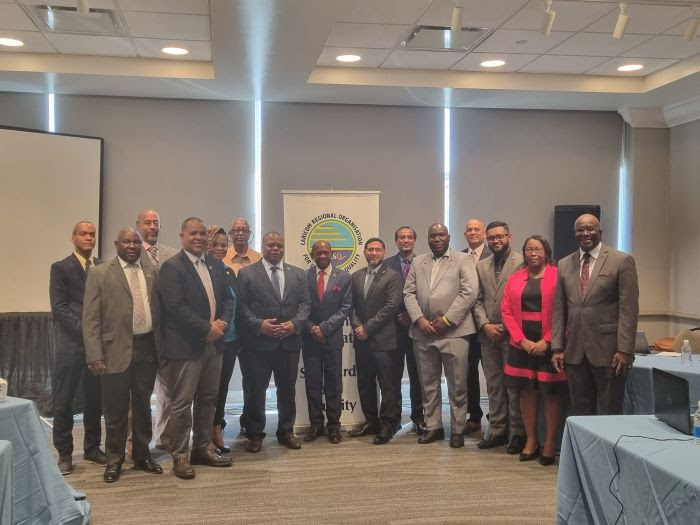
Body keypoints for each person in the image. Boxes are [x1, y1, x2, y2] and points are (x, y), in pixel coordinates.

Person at [82, 228, 163, 482]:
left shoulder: (152, 272)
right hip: (113, 351)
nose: (132, 245)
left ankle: (142, 456)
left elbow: (159, 311)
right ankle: (114, 460)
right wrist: (95, 354)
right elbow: (90, 319)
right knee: (115, 411)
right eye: (126, 241)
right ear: (117, 244)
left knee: (143, 407)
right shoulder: (100, 273)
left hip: (147, 349)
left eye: (136, 241)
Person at [159, 217, 234, 479]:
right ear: (182, 237)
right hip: (186, 347)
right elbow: (175, 307)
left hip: (215, 345)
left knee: (209, 399)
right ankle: (180, 455)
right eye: (193, 233)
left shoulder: (215, 264)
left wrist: (222, 323)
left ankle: (201, 449)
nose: (199, 237)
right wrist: (206, 329)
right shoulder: (172, 267)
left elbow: (228, 300)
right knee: (182, 403)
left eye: (202, 233)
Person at [552, 214, 639, 416]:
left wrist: (625, 350)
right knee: (580, 412)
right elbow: (559, 309)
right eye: (580, 230)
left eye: (590, 229)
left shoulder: (621, 260)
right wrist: (557, 348)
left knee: (609, 411)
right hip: (574, 352)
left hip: (610, 353)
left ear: (600, 231)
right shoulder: (564, 264)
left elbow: (629, 309)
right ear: (574, 234)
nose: (585, 233)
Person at [404, 224, 478, 448]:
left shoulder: (463, 260)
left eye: (441, 235)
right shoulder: (419, 261)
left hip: (454, 332)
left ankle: (457, 430)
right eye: (433, 235)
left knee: (457, 385)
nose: (437, 239)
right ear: (428, 238)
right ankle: (434, 427)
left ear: (449, 237)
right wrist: (419, 319)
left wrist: (446, 320)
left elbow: (470, 292)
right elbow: (408, 293)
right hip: (423, 332)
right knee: (428, 384)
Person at [238, 232, 311, 453]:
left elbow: (305, 304)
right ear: (263, 246)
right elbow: (242, 307)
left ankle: (286, 431)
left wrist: (294, 325)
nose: (276, 248)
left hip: (289, 343)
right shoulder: (247, 273)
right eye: (271, 245)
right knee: (256, 391)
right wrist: (260, 325)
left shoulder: (298, 274)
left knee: (287, 390)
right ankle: (255, 434)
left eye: (279, 245)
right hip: (259, 344)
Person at [501, 235, 565, 466]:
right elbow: (506, 311)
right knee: (527, 393)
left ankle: (549, 443)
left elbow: (564, 311)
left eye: (538, 249)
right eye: (529, 249)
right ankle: (531, 440)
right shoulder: (515, 278)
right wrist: (522, 341)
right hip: (522, 347)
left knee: (551, 393)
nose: (533, 253)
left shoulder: (558, 276)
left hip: (550, 346)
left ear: (546, 253)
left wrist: (547, 341)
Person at [49, 220, 106, 475]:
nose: (89, 238)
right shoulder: (60, 268)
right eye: (83, 234)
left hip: (97, 349)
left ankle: (92, 449)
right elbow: (59, 308)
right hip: (71, 346)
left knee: (95, 400)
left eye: (92, 234)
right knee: (64, 402)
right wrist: (88, 332)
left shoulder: (103, 267)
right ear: (73, 238)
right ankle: (64, 454)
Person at [472, 221, 525, 454]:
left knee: (513, 387)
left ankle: (517, 432)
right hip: (488, 336)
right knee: (493, 385)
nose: (496, 241)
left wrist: (505, 325)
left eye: (500, 236)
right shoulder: (481, 265)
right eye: (491, 237)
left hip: (513, 335)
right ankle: (496, 429)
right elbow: (477, 300)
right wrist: (484, 324)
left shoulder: (522, 261)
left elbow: (525, 298)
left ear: (509, 236)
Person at [348, 238, 403, 445]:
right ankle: (371, 422)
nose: (373, 253)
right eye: (370, 249)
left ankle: (387, 425)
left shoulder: (393, 276)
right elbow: (351, 307)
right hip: (361, 340)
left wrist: (367, 328)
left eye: (377, 249)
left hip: (384, 341)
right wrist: (357, 326)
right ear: (364, 252)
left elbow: (391, 307)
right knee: (365, 383)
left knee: (388, 385)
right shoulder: (356, 276)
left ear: (384, 252)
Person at [135, 209, 178, 452]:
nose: (152, 226)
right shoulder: (130, 252)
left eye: (156, 222)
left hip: (168, 335)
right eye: (147, 222)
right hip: (140, 335)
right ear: (138, 225)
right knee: (138, 394)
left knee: (169, 391)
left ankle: (165, 438)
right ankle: (135, 444)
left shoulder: (172, 255)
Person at [302, 241, 352, 444]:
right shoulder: (304, 276)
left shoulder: (344, 277)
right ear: (312, 254)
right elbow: (300, 306)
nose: (322, 255)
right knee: (312, 384)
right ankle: (316, 425)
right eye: (318, 252)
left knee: (333, 385)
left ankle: (333, 426)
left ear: (332, 254)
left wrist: (324, 328)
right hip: (310, 339)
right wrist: (312, 328)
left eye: (326, 252)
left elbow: (345, 308)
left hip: (332, 339)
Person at [222, 217, 261, 436]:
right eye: (235, 230)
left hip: (251, 330)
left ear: (249, 234)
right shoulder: (220, 256)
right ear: (230, 234)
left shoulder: (258, 259)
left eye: (244, 230)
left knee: (252, 379)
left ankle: (249, 422)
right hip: (226, 331)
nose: (240, 233)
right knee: (221, 382)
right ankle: (218, 425)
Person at [383, 226, 425, 433]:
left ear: (414, 240)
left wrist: (412, 315)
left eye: (409, 237)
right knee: (393, 378)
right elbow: (381, 296)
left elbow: (428, 294)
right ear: (396, 241)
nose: (405, 240)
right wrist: (399, 315)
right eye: (401, 237)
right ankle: (393, 420)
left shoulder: (424, 263)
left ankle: (418, 418)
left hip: (417, 328)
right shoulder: (386, 265)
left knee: (418, 376)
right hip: (393, 330)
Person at [206, 226, 241, 454]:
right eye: (215, 245)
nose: (220, 249)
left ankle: (217, 429)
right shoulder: (202, 271)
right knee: (207, 391)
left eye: (223, 245)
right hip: (210, 339)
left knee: (222, 388)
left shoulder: (228, 272)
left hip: (231, 340)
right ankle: (205, 435)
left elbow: (235, 303)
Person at [462, 218, 491, 435]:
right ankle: (474, 416)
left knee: (492, 373)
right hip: (465, 325)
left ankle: (497, 414)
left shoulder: (495, 255)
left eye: (477, 229)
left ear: (484, 233)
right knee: (468, 373)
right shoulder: (459, 257)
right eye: (469, 230)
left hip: (489, 325)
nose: (473, 233)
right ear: (465, 235)